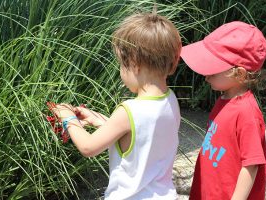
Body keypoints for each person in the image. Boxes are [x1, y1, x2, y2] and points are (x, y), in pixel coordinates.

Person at [52, 12, 182, 199]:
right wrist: (98, 120)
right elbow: (140, 135)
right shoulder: (170, 99)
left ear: (135, 64)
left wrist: (67, 117)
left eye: (122, 64)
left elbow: (89, 147)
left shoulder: (128, 110)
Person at [180, 21, 266, 200]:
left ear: (240, 74)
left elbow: (251, 165)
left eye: (212, 71)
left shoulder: (246, 112)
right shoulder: (224, 100)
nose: (206, 76)